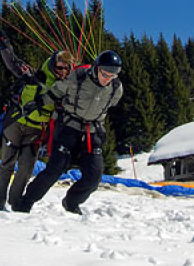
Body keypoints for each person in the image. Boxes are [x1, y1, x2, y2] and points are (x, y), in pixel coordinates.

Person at [13, 49, 124, 215]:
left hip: (92, 133)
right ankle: (26, 202)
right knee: (54, 169)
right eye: (105, 74)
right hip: (69, 128)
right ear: (97, 68)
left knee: (94, 176)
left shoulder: (116, 88)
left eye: (112, 75)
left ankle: (72, 202)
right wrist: (37, 103)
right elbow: (56, 91)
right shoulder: (78, 77)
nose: (107, 79)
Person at [0, 30, 72, 211]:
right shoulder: (33, 76)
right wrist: (5, 46)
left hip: (36, 132)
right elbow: (14, 63)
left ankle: (16, 202)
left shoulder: (66, 89)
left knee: (26, 169)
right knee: (7, 164)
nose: (63, 72)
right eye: (59, 68)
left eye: (66, 69)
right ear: (51, 66)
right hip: (16, 124)